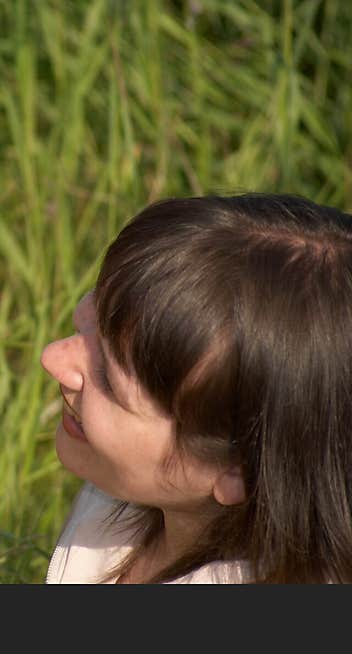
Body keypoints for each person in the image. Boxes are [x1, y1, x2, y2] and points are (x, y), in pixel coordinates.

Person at [40, 193, 352, 584]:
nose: (52, 357)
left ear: (236, 472)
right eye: (89, 315)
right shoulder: (136, 495)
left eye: (110, 381)